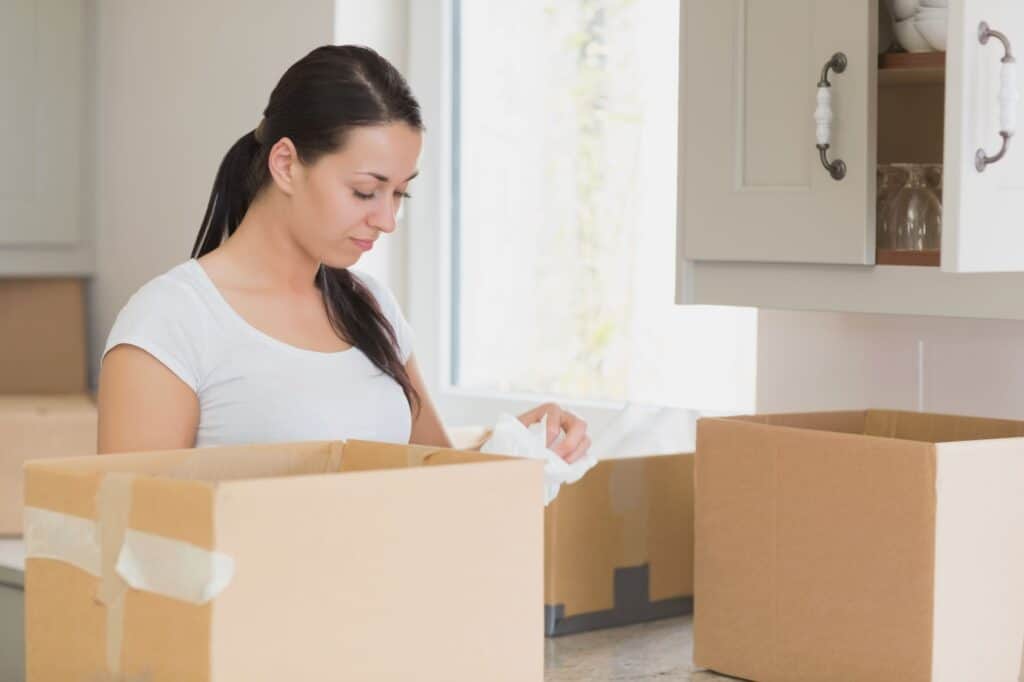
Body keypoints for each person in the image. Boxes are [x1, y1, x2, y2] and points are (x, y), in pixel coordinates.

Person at [97, 45, 591, 462]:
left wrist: (519, 442)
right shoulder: (171, 323)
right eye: (364, 191)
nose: (387, 219)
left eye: (400, 193)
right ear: (287, 164)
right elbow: (131, 536)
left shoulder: (371, 308)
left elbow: (435, 484)